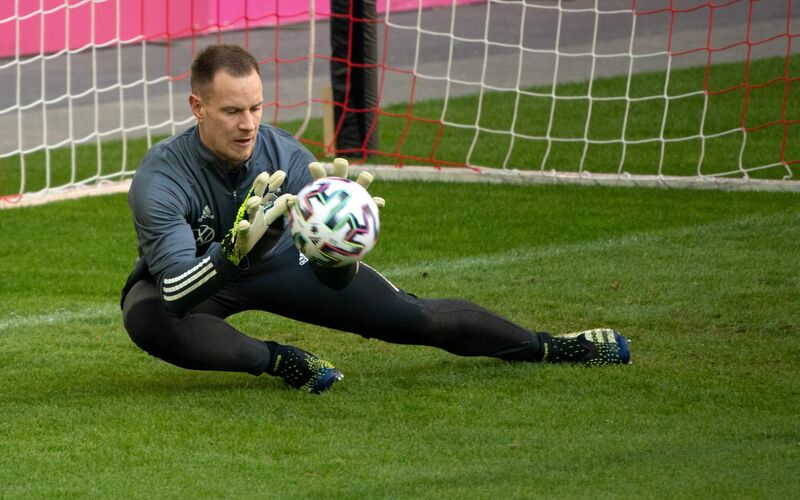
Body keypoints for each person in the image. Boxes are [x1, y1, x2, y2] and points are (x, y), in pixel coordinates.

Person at [121, 44, 630, 394]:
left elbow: (333, 282)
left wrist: (340, 249)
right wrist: (230, 255)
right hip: (204, 279)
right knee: (148, 318)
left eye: (256, 107)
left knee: (415, 318)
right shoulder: (160, 178)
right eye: (233, 110)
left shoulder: (286, 153)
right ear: (197, 107)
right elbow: (174, 290)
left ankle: (551, 346)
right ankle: (281, 360)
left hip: (279, 262)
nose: (249, 123)